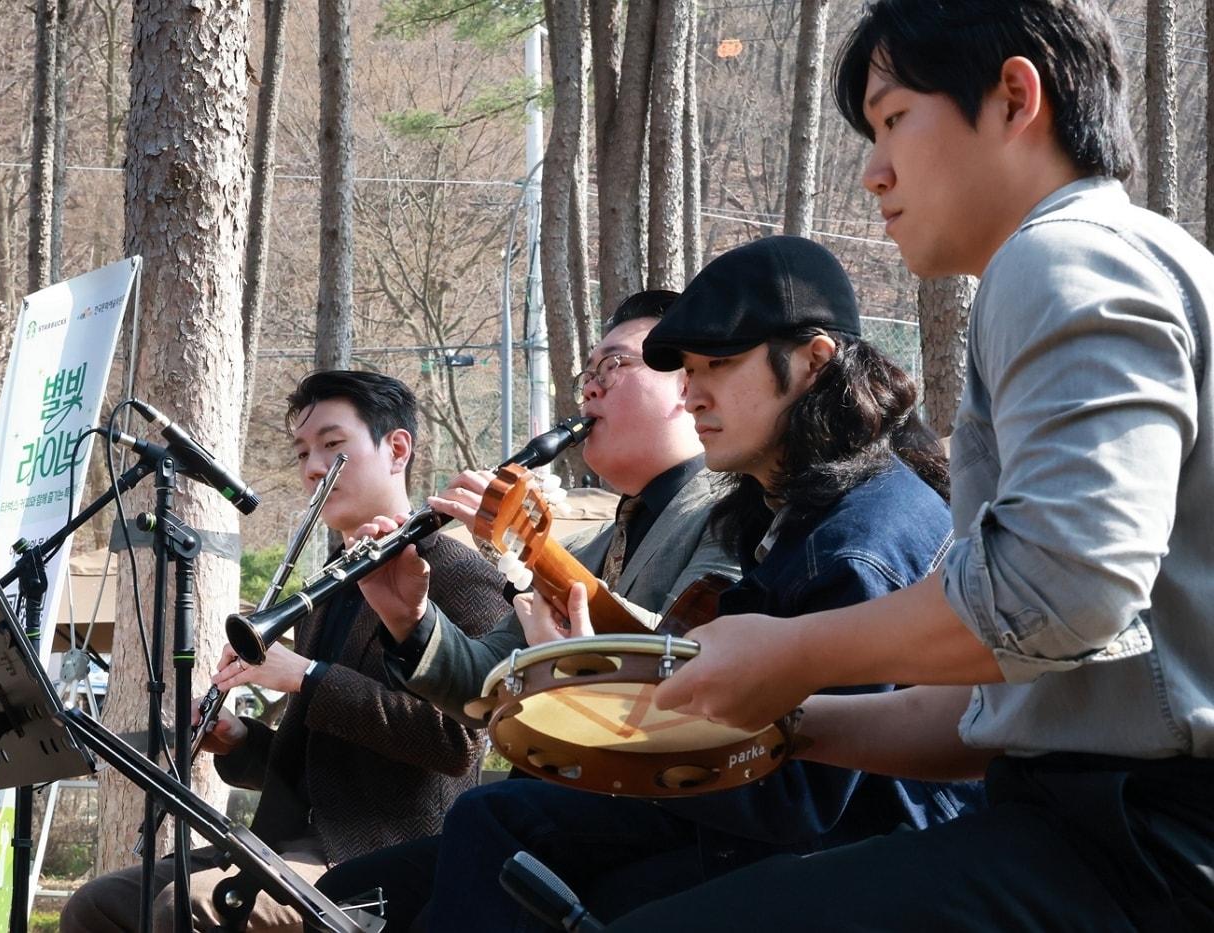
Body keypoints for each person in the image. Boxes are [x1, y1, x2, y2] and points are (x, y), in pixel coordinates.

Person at [604, 2, 1214, 930]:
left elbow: (1064, 588)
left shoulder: (1065, 258)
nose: (873, 170)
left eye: (893, 119)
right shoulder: (1121, 261)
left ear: (1016, 98)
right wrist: (783, 717)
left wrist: (797, 650)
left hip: (1146, 850)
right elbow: (1010, 700)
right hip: (1104, 832)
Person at [313, 291, 741, 929]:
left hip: (665, 806)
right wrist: (413, 620)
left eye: (612, 368)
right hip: (565, 799)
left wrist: (536, 556)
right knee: (352, 890)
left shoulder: (731, 511)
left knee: (478, 832)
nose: (588, 392)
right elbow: (489, 681)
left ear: (689, 387)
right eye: (585, 375)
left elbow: (693, 648)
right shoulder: (596, 542)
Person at [61, 371, 509, 933]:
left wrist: (309, 677)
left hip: (384, 850)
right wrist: (241, 740)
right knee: (97, 905)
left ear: (397, 449)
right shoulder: (329, 588)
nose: (313, 468)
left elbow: (457, 743)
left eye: (333, 445)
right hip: (282, 841)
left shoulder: (461, 576)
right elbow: (321, 762)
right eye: (302, 453)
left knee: (185, 910)